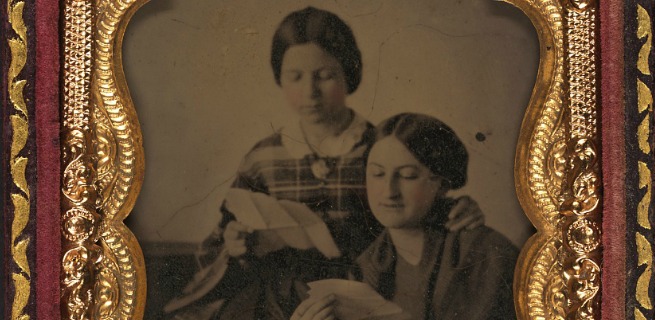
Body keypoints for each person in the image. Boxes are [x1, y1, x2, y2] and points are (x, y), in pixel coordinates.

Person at [167, 8, 484, 320]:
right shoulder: (262, 159)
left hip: (369, 299)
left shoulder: (381, 149)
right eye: (296, 77)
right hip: (283, 304)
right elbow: (217, 245)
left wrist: (459, 211)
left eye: (325, 76)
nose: (310, 92)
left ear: (349, 73)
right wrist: (237, 245)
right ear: (280, 78)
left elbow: (422, 215)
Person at [292, 113, 519, 320]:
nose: (389, 191)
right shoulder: (367, 265)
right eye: (377, 174)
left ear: (442, 183)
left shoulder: (487, 253)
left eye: (408, 176)